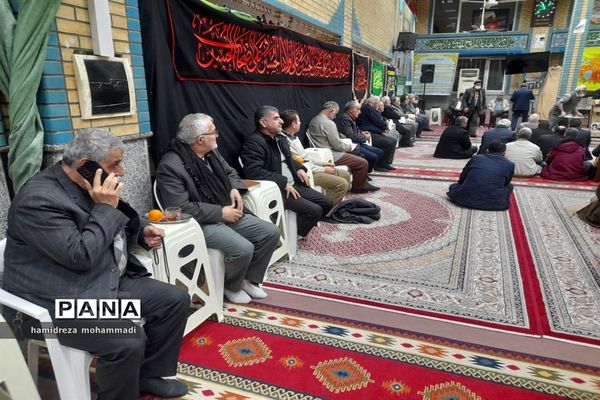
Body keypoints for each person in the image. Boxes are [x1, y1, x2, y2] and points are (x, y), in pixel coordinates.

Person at [2, 128, 190, 400]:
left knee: (174, 301)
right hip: (55, 302)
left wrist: (139, 232)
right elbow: (79, 255)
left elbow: (107, 224)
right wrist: (105, 208)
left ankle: (146, 377)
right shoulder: (38, 200)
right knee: (127, 339)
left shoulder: (86, 183)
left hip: (99, 282)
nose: (122, 171)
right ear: (85, 165)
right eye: (115, 164)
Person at [156, 113, 281, 304]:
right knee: (243, 248)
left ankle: (247, 279)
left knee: (270, 233)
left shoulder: (211, 152)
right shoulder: (170, 166)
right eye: (214, 132)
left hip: (224, 210)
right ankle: (231, 285)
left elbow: (230, 172)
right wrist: (221, 213)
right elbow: (181, 208)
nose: (217, 135)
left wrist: (233, 187)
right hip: (199, 222)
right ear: (200, 139)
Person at [241, 105, 333, 238]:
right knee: (315, 210)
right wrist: (283, 182)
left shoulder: (280, 138)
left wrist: (299, 168)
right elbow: (253, 172)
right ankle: (292, 237)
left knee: (327, 203)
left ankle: (297, 227)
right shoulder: (254, 142)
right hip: (278, 189)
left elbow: (290, 159)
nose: (282, 121)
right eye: (276, 118)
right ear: (263, 122)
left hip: (294, 184)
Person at [280, 109, 351, 208]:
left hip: (312, 168)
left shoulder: (294, 137)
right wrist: (323, 169)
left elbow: (305, 157)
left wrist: (322, 164)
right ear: (293, 124)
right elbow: (300, 163)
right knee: (342, 184)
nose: (300, 123)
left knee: (345, 174)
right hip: (307, 173)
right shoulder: (285, 142)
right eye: (299, 121)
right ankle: (328, 210)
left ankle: (335, 204)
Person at [307, 101, 378, 192]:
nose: (335, 116)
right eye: (335, 113)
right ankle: (359, 187)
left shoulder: (314, 120)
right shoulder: (328, 123)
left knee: (358, 154)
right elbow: (337, 145)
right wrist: (348, 147)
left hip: (322, 150)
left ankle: (363, 182)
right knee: (363, 162)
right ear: (331, 111)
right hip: (331, 154)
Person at [447, 141, 515, 211]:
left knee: (453, 186)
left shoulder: (476, 158)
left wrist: (460, 185)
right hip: (495, 204)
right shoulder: (510, 164)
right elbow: (506, 183)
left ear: (487, 150)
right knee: (510, 186)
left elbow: (463, 176)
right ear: (504, 152)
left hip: (463, 199)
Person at [336, 100, 384, 172]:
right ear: (350, 110)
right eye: (358, 109)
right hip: (353, 145)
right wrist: (365, 137)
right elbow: (351, 136)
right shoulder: (345, 119)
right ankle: (364, 173)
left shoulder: (350, 118)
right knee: (373, 157)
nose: (360, 112)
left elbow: (354, 130)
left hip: (358, 143)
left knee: (379, 152)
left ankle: (367, 172)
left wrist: (362, 132)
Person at [356, 96, 398, 168]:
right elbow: (379, 121)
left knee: (393, 140)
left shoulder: (369, 109)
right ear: (375, 103)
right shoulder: (368, 109)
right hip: (369, 133)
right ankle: (380, 165)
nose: (379, 105)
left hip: (374, 132)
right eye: (378, 103)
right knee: (389, 143)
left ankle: (387, 163)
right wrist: (385, 126)